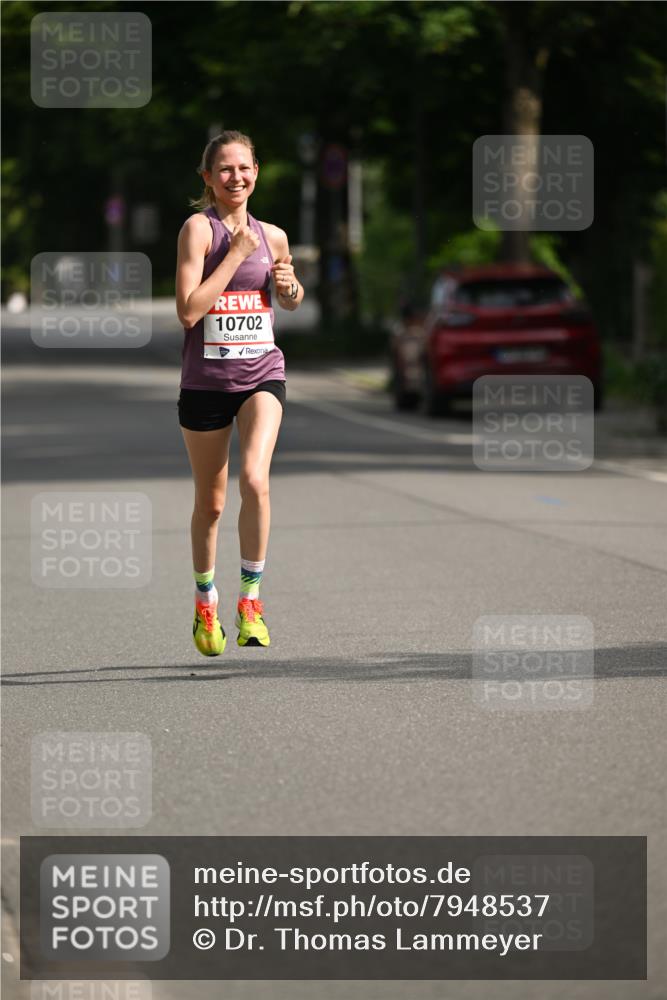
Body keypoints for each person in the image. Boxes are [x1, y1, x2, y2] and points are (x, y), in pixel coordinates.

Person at [175, 130, 303, 655]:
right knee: (211, 503)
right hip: (205, 382)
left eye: (245, 168)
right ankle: (206, 602)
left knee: (256, 477)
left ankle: (251, 602)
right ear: (207, 177)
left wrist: (291, 289)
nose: (237, 177)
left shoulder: (273, 235)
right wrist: (234, 255)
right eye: (225, 169)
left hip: (260, 373)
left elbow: (287, 301)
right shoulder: (197, 231)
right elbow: (188, 310)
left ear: (257, 172)